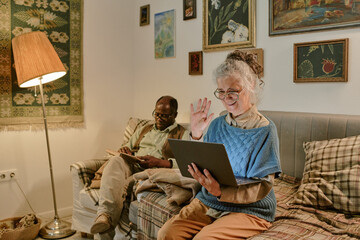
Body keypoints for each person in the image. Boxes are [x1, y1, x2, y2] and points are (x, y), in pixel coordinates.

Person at [158, 50, 282, 240]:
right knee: (167, 233)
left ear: (251, 86)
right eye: (221, 92)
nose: (226, 99)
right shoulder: (217, 124)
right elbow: (203, 162)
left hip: (251, 209)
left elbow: (262, 186)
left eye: (233, 91)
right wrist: (197, 134)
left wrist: (220, 190)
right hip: (211, 200)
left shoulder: (265, 130)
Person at [90, 95, 190, 239]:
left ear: (175, 115)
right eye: (157, 114)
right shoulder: (145, 128)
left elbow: (185, 163)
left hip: (152, 172)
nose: (159, 118)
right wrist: (125, 151)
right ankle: (104, 215)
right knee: (115, 161)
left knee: (123, 184)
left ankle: (106, 220)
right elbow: (126, 147)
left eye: (165, 116)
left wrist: (159, 162)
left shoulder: (182, 133)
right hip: (133, 164)